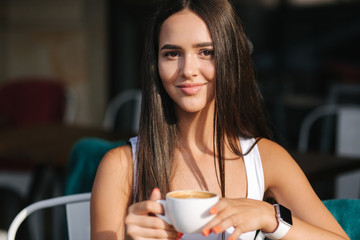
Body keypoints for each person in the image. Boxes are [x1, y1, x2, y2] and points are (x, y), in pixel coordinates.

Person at [90, 0, 350, 239]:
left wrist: (271, 218)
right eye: (172, 54)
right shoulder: (121, 167)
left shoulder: (267, 159)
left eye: (206, 52)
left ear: (230, 58)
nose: (188, 70)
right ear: (155, 64)